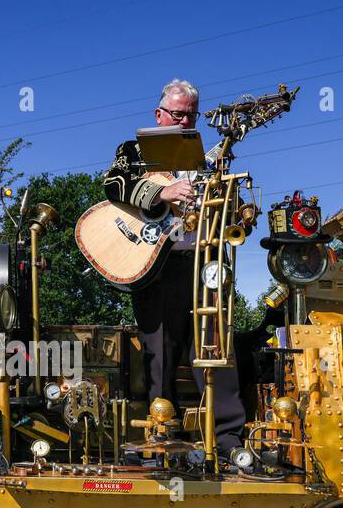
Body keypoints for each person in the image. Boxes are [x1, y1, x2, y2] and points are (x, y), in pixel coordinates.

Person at [101, 78, 247, 451]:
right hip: (156, 267)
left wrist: (237, 209)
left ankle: (228, 440)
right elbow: (113, 184)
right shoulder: (133, 150)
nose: (184, 122)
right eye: (178, 114)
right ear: (159, 113)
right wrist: (162, 193)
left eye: (191, 115)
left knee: (215, 349)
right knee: (158, 354)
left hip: (204, 265)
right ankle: (162, 435)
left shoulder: (209, 159)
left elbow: (232, 207)